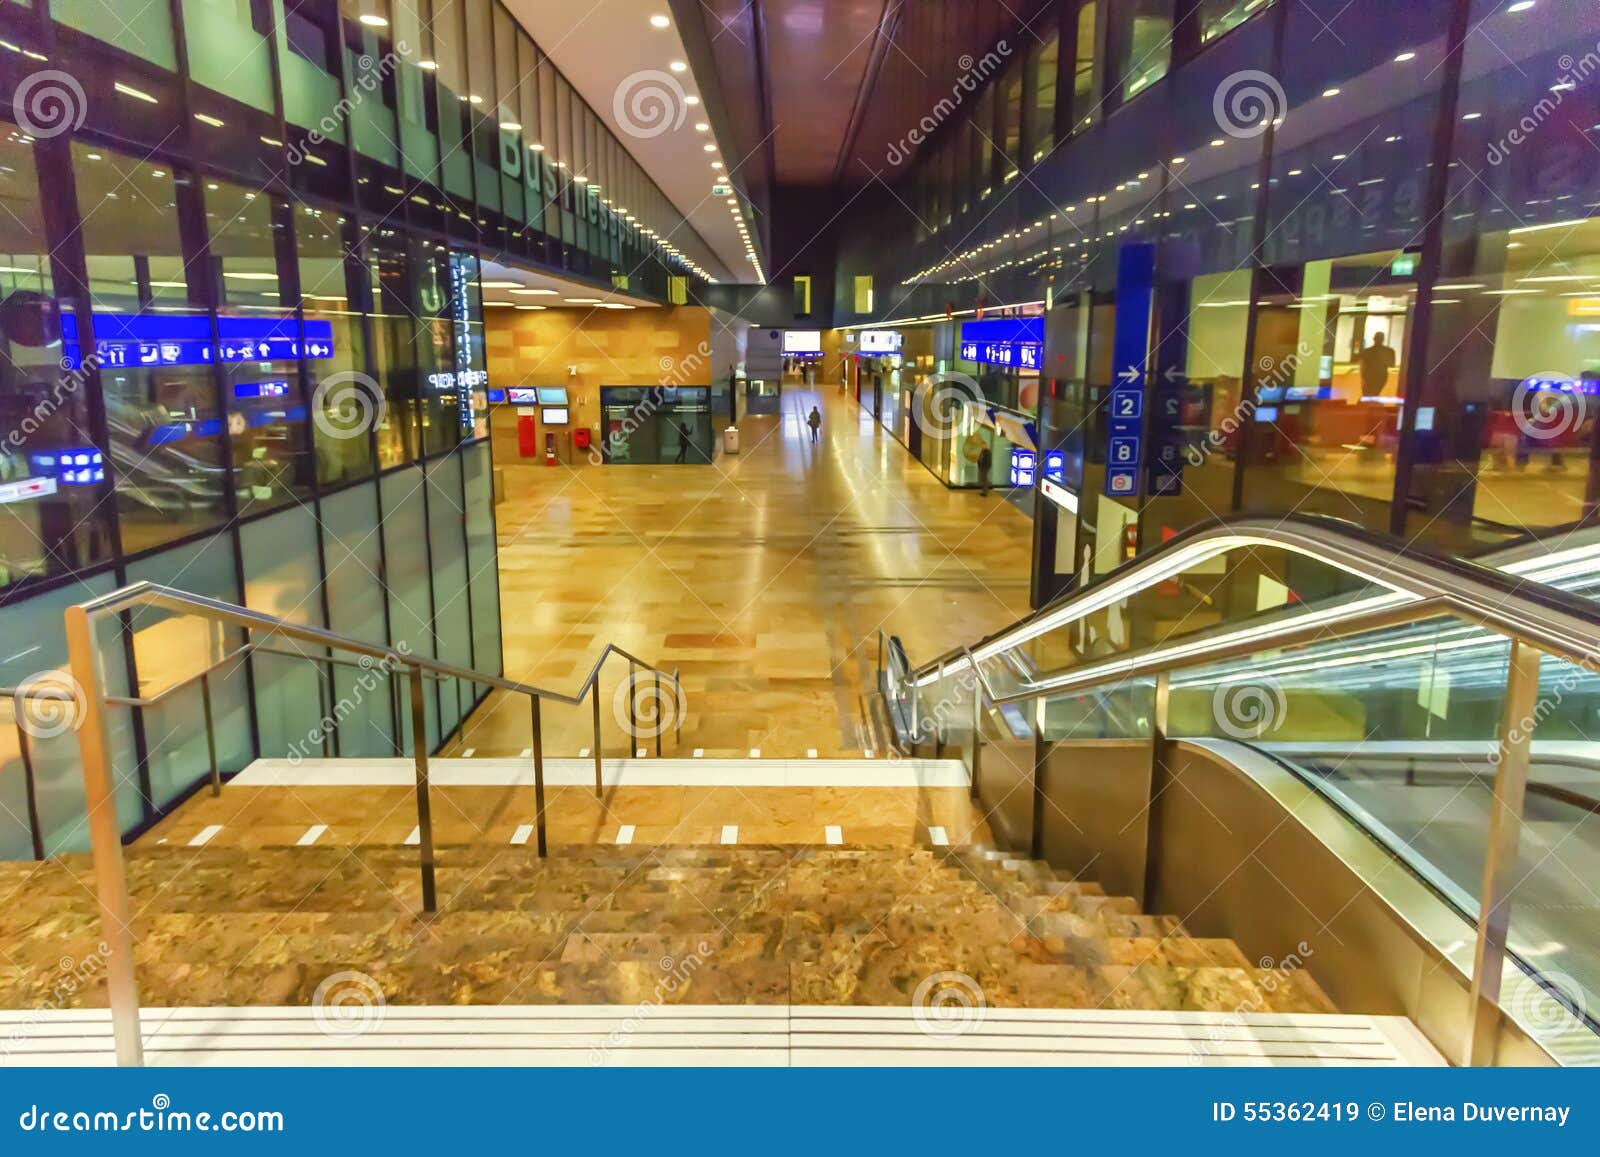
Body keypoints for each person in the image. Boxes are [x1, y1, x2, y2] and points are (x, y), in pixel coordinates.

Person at [1357, 331, 1397, 397]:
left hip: (1369, 377)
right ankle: (1372, 405)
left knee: (1367, 395)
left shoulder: (1367, 351)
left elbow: (1362, 365)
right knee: (1374, 394)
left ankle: (1368, 406)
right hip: (1381, 377)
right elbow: (1392, 364)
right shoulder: (1389, 351)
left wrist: (1363, 378)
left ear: (1374, 339)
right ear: (1383, 339)